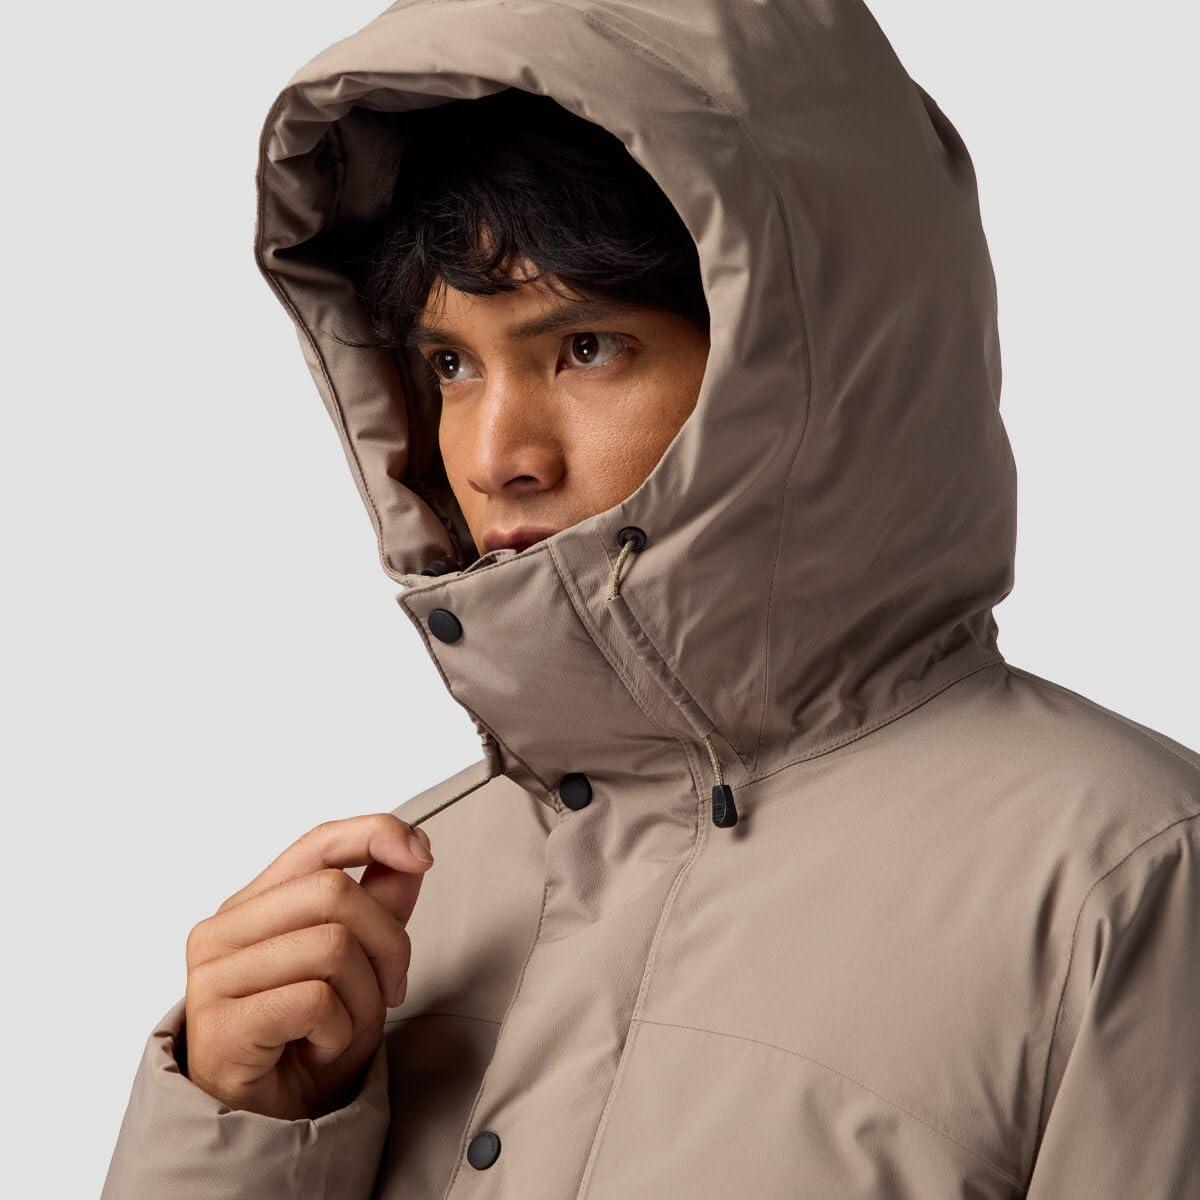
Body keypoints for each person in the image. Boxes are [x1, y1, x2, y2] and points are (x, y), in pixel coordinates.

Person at [102, 2, 1200, 1198]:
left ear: (805, 367)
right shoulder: (396, 909)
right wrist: (245, 1129)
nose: (494, 456)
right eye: (450, 365)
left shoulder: (1124, 878)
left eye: (585, 348)